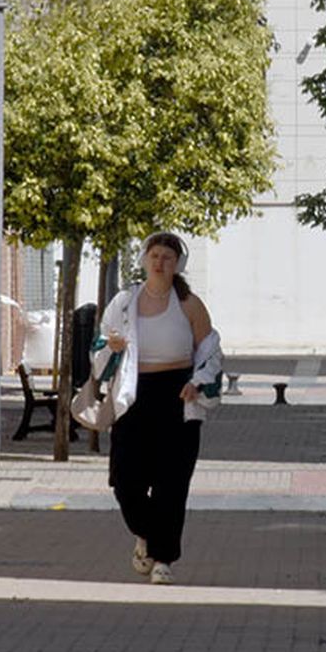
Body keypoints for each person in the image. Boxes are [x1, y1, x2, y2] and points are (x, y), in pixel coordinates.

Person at [91, 232, 222, 585]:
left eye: (167, 257)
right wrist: (111, 346)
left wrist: (198, 381)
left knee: (171, 483)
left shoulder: (190, 304)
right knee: (125, 481)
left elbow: (211, 352)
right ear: (144, 259)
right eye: (155, 256)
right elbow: (99, 344)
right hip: (134, 395)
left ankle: (163, 559)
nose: (160, 263)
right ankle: (146, 534)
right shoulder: (124, 302)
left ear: (177, 264)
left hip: (177, 397)